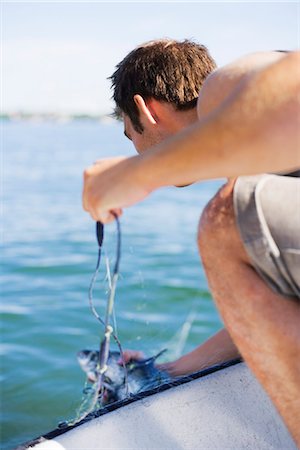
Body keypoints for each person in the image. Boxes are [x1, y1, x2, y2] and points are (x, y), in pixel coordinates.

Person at [82, 40, 300, 444]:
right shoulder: (253, 169)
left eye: (131, 136)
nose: (133, 149)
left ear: (147, 110)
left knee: (225, 220)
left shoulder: (222, 87)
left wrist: (137, 173)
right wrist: (168, 371)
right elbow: (259, 313)